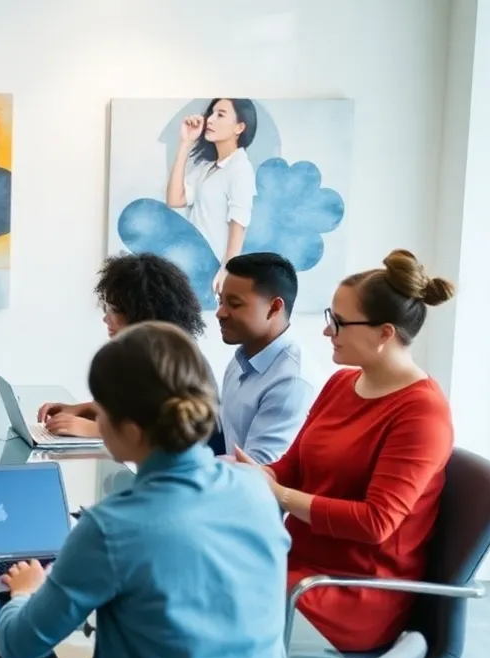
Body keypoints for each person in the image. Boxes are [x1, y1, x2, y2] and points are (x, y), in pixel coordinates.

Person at [0, 322, 289, 658]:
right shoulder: (254, 489)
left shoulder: (111, 528)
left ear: (130, 429)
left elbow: (20, 645)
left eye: (101, 411)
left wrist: (23, 593)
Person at [236, 250, 456, 652]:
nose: (327, 332)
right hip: (296, 567)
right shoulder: (341, 384)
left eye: (338, 323)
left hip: (351, 592)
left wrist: (279, 495)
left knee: (202, 595)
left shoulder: (422, 413)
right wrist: (256, 473)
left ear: (384, 333)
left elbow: (376, 523)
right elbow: (294, 467)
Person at [36, 253, 205, 439]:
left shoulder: (176, 366)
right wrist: (81, 410)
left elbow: (168, 431)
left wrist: (93, 429)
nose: (105, 318)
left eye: (115, 310)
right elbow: (135, 411)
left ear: (144, 314)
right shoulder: (142, 357)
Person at [215, 252, 311, 464]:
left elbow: (259, 470)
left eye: (234, 303)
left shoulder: (291, 380)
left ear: (274, 308)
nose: (220, 313)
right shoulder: (241, 358)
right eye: (220, 301)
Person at [166, 98, 259, 295]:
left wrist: (227, 269)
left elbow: (239, 222)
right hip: (194, 263)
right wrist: (185, 143)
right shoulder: (207, 168)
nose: (210, 119)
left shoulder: (240, 168)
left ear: (239, 127)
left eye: (221, 115)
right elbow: (175, 199)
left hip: (214, 268)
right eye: (211, 113)